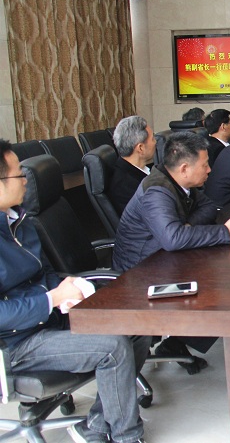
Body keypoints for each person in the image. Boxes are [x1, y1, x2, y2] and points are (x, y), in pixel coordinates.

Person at [0, 139, 150, 443]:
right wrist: (50, 299)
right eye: (18, 175)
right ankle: (126, 435)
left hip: (48, 320)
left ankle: (95, 425)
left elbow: (43, 273)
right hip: (15, 344)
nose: (26, 180)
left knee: (138, 323)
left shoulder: (20, 222)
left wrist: (68, 289)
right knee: (112, 347)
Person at [113, 132, 230, 370]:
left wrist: (186, 226)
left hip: (163, 259)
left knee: (223, 272)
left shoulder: (179, 182)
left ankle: (177, 341)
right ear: (185, 168)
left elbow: (208, 207)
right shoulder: (156, 191)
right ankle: (179, 340)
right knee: (219, 284)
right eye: (205, 165)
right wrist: (225, 232)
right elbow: (173, 238)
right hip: (140, 273)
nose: (209, 170)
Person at [109, 116, 156, 215]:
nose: (155, 142)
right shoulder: (125, 185)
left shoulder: (137, 171)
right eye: (152, 138)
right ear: (140, 148)